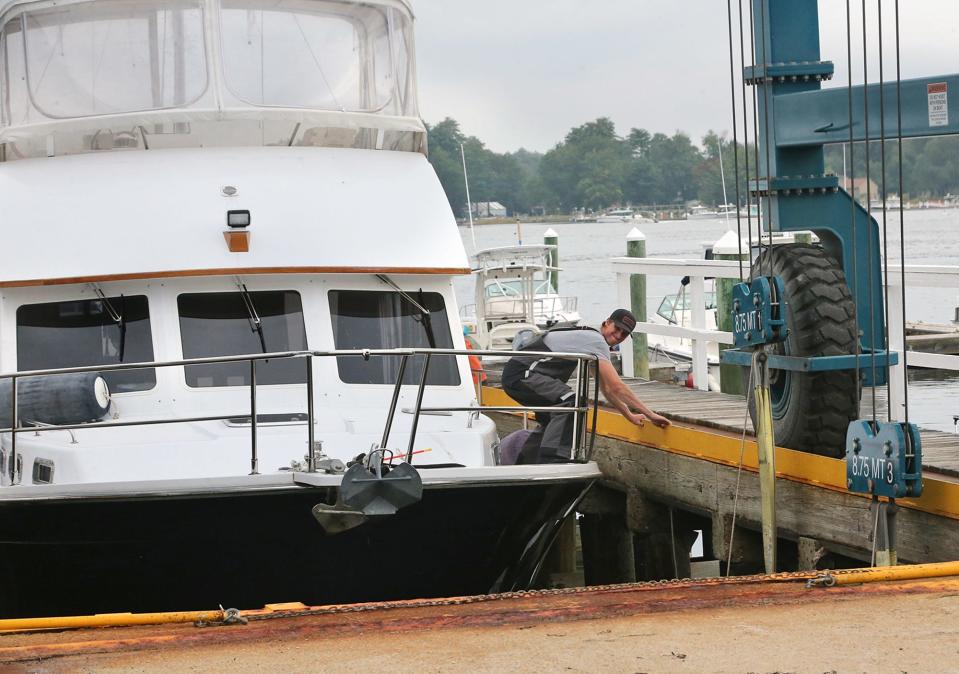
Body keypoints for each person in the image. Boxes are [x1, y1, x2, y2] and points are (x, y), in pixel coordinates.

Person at [501, 308, 670, 464]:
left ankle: (527, 459)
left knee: (554, 417)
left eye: (624, 334)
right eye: (616, 328)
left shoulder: (589, 339)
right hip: (523, 374)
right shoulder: (596, 341)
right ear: (606, 323)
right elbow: (617, 386)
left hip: (518, 375)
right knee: (571, 403)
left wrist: (629, 415)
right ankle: (552, 459)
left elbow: (607, 389)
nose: (618, 335)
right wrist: (651, 415)